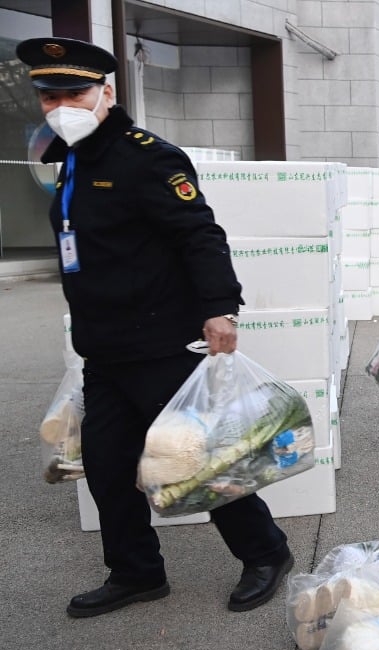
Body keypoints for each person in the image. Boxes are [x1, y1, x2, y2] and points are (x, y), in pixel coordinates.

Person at [19, 37, 293, 618]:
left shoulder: (147, 156)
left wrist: (220, 305)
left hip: (161, 343)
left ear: (106, 92)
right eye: (51, 95)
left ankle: (266, 553)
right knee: (108, 465)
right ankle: (137, 572)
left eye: (75, 91)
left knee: (198, 460)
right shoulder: (68, 159)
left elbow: (199, 233)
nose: (62, 104)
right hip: (105, 350)